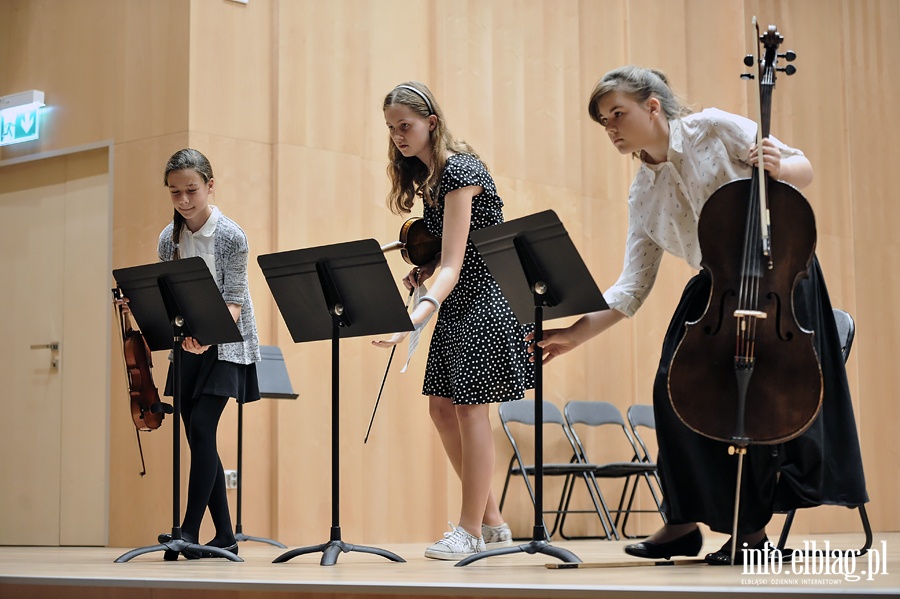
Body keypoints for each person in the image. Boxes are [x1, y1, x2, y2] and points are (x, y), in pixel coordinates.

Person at [534, 66, 867, 565]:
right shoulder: (642, 194)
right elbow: (630, 287)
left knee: (756, 399)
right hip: (715, 288)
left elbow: (802, 168)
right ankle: (682, 523)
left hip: (778, 275)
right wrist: (571, 337)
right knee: (673, 390)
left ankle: (748, 531)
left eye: (617, 114)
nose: (611, 128)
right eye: (604, 121)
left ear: (653, 106)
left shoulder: (713, 128)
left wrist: (780, 166)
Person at [372, 82, 535, 560]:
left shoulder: (460, 170)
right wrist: (420, 274)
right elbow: (444, 259)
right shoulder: (430, 181)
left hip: (488, 300)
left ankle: (469, 531)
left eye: (406, 125)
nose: (399, 135)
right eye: (391, 128)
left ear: (431, 123)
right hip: (461, 300)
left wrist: (412, 318)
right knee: (441, 410)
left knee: (468, 410)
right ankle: (494, 522)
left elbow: (456, 264)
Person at [153, 148, 261, 560]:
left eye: (192, 190)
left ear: (210, 186)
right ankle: (226, 537)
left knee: (201, 430)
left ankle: (189, 531)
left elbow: (233, 300)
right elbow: (168, 293)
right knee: (199, 438)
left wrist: (210, 336)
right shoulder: (169, 238)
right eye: (175, 192)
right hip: (187, 346)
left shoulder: (232, 236)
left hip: (227, 343)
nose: (183, 200)